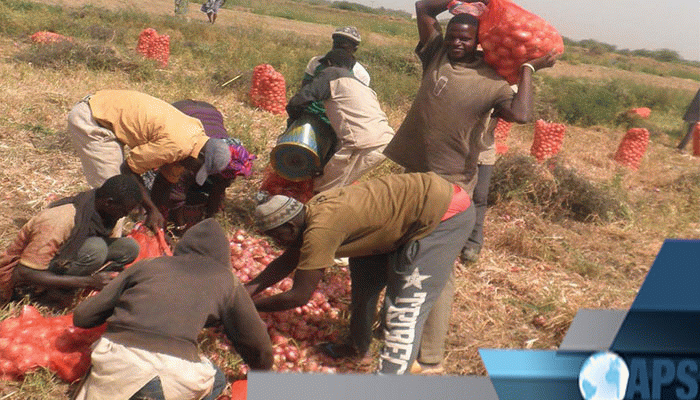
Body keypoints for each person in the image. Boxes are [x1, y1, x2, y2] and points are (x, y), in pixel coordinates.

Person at [382, 0, 557, 374]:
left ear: (478, 43)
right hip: (413, 175)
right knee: (402, 255)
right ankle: (398, 336)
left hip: (451, 185)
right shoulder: (436, 56)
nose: (457, 43)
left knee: (436, 270)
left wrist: (526, 69)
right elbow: (422, 8)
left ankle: (429, 357)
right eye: (454, 36)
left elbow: (522, 115)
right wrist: (459, 4)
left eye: (466, 39)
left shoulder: (493, 81)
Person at [246, 172, 474, 374]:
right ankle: (357, 348)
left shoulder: (320, 230)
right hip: (398, 218)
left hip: (443, 213)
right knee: (364, 280)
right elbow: (286, 262)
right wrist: (245, 292)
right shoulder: (310, 212)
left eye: (277, 237)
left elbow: (299, 295)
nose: (277, 243)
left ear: (291, 227)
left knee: (405, 309)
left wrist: (250, 307)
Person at [72, 218, 274, 400]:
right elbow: (259, 347)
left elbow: (82, 317)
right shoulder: (226, 280)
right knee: (219, 380)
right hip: (173, 375)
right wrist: (262, 375)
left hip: (117, 363)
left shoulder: (147, 265)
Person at [67, 89, 232, 232]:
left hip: (106, 114)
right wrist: (151, 209)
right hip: (93, 119)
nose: (192, 171)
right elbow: (129, 169)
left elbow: (164, 184)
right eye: (197, 168)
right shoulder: (177, 145)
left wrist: (158, 223)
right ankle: (89, 236)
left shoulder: (194, 140)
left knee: (121, 194)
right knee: (115, 190)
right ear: (200, 156)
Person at [0, 174, 142, 308]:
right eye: (124, 210)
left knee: (129, 247)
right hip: (24, 279)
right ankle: (45, 294)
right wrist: (89, 282)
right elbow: (25, 272)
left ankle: (72, 287)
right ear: (109, 203)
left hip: (64, 261)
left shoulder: (109, 216)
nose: (125, 215)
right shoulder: (60, 220)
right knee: (96, 249)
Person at [286, 49, 394, 193]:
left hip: (363, 146)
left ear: (329, 63)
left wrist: (293, 123)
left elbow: (298, 101)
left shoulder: (331, 73)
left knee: (322, 192)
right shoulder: (361, 86)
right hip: (382, 141)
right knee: (333, 182)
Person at [143, 99, 255, 234]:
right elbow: (175, 196)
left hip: (209, 111)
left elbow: (219, 190)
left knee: (208, 184)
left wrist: (210, 219)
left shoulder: (231, 161)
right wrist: (180, 227)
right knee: (158, 184)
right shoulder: (191, 157)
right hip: (180, 111)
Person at [302, 26, 370, 88]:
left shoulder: (361, 75)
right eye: (336, 45)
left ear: (354, 50)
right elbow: (305, 90)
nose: (339, 52)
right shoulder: (316, 63)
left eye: (343, 48)